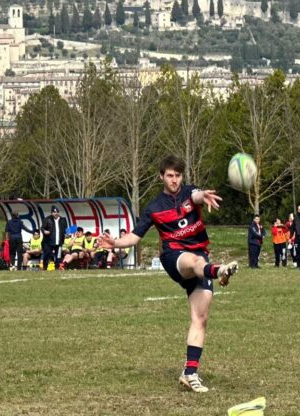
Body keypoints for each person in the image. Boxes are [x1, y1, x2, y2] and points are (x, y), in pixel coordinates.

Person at [97, 155, 237, 393]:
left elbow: (196, 195)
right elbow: (135, 236)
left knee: (200, 318)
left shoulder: (189, 193)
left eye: (178, 175)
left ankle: (190, 373)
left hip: (199, 254)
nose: (174, 180)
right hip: (175, 257)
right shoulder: (154, 208)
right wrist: (116, 243)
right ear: (161, 176)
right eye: (170, 175)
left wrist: (203, 196)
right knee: (195, 261)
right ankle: (218, 270)